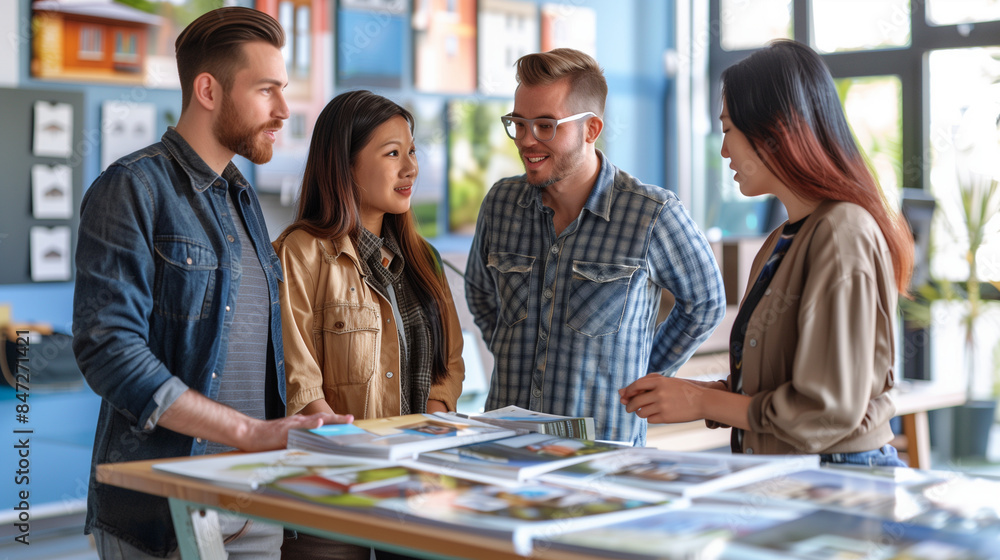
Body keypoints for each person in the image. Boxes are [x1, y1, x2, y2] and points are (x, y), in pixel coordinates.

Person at [72, 8, 352, 559]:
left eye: (284, 90)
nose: (282, 110)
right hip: (165, 512)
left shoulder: (242, 197)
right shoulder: (131, 188)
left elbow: (249, 349)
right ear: (208, 89)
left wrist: (305, 417)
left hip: (254, 501)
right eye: (266, 90)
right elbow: (108, 350)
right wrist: (246, 433)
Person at [619, 40, 914, 468]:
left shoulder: (842, 231)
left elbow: (825, 411)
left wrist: (702, 402)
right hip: (787, 476)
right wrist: (698, 394)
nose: (724, 151)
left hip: (837, 479)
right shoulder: (781, 241)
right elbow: (778, 387)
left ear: (773, 130)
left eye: (727, 130)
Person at [465, 48, 726, 446]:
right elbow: (481, 294)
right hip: (503, 446)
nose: (526, 140)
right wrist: (510, 347)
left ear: (591, 129)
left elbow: (706, 304)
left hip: (603, 453)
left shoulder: (652, 213)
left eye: (546, 126)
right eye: (518, 123)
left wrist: (644, 374)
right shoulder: (501, 203)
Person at [274, 90, 465, 559]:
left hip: (419, 484)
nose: (411, 168)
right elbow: (298, 382)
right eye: (392, 153)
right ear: (345, 165)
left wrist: (429, 429)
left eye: (412, 151)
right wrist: (361, 460)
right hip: (333, 492)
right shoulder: (298, 252)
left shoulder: (425, 259)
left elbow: (450, 365)